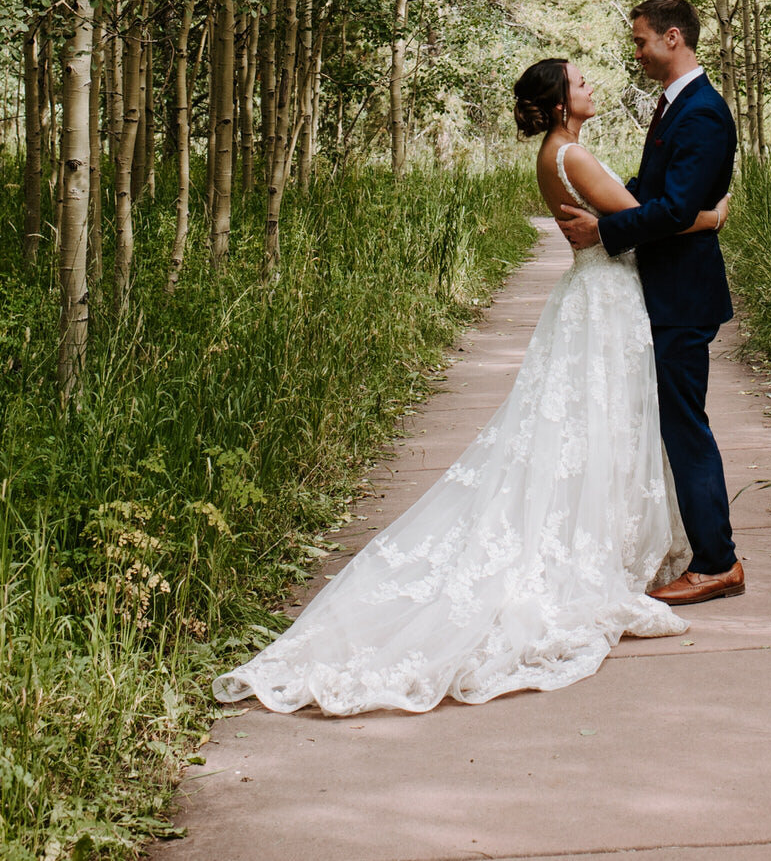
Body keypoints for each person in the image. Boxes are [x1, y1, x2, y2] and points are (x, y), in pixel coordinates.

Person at [212, 55, 726, 715]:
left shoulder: (559, 152)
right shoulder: (572, 155)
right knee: (603, 420)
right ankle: (591, 551)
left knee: (592, 424)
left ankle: (609, 536)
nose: (590, 85)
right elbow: (648, 219)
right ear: (560, 100)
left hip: (594, 295)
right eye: (580, 81)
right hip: (605, 299)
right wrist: (710, 216)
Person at [555, 0, 744, 607]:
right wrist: (608, 204)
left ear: (672, 38)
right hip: (661, 289)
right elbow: (649, 191)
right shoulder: (672, 107)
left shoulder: (703, 112)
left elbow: (678, 208)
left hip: (683, 296)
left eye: (639, 41)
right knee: (673, 423)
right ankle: (706, 553)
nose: (634, 52)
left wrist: (603, 232)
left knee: (686, 427)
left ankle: (718, 563)